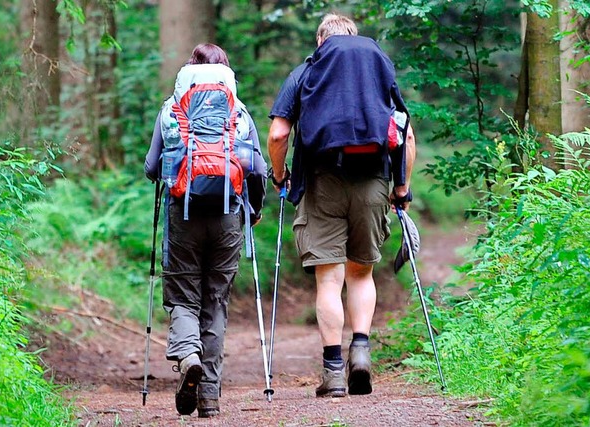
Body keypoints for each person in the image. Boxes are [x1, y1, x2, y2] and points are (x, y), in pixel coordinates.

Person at [267, 14, 416, 398]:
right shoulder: (378, 72)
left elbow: (279, 133)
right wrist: (401, 189)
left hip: (321, 183)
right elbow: (406, 134)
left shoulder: (305, 72)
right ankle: (361, 352)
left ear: (321, 40)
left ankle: (333, 372)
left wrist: (281, 176)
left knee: (328, 279)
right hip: (373, 181)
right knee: (361, 274)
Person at [145, 43, 267, 417]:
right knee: (215, 300)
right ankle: (209, 397)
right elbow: (257, 170)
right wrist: (255, 210)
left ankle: (188, 356)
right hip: (229, 214)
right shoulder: (238, 110)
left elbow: (152, 168)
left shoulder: (172, 107)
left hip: (183, 214)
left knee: (183, 295)